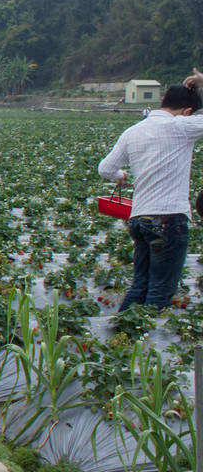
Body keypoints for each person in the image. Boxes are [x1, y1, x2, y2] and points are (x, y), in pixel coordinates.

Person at [98, 79, 203, 311]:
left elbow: (105, 169)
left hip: (138, 220)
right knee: (161, 289)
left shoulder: (133, 131)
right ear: (187, 112)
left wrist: (121, 174)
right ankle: (145, 341)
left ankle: (122, 338)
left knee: (140, 284)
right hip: (168, 219)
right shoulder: (181, 127)